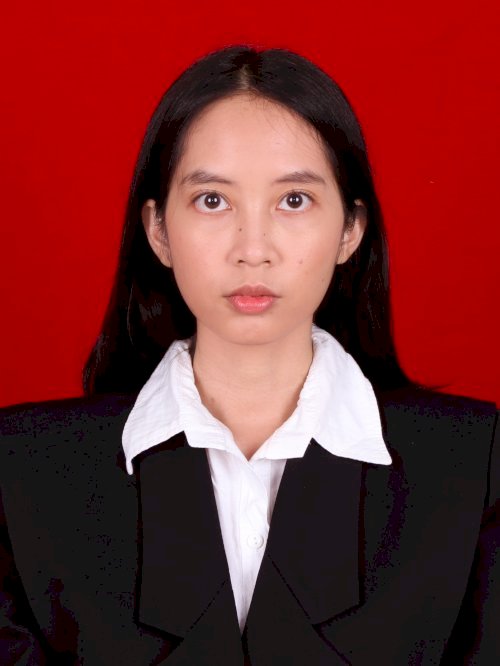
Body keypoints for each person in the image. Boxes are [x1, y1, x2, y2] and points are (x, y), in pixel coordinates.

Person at [0, 46, 498, 666]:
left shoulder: (476, 469)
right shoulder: (20, 474)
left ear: (350, 229)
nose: (253, 248)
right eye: (212, 200)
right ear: (158, 230)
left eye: (294, 200)